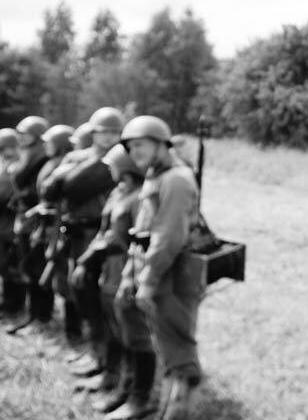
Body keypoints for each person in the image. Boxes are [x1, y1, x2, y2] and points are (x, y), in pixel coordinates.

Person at [118, 115, 203, 420]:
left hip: (174, 275)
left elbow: (168, 236)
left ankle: (181, 411)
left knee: (179, 350)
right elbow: (144, 230)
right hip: (159, 271)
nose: (134, 153)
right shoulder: (157, 176)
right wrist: (133, 274)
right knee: (166, 347)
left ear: (161, 144)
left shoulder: (176, 180)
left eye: (140, 145)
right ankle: (168, 408)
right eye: (130, 147)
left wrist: (149, 280)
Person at [77, 143, 156, 419]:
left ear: (126, 168)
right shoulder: (117, 192)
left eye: (113, 165)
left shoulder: (140, 198)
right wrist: (90, 258)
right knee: (115, 329)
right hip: (108, 270)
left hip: (126, 272)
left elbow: (135, 241)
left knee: (135, 334)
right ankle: (116, 382)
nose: (109, 169)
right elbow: (105, 231)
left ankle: (138, 397)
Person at [44, 107, 123, 376]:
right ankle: (93, 350)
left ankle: (106, 358)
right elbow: (53, 193)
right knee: (79, 292)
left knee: (101, 296)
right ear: (93, 132)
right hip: (76, 233)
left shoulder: (122, 161)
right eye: (103, 131)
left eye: (114, 132)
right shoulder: (76, 158)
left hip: (104, 236)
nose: (108, 137)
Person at [5, 115, 52, 333]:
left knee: (36, 267)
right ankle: (35, 314)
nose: (21, 137)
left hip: (36, 219)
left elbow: (35, 189)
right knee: (29, 266)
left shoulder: (40, 156)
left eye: (26, 134)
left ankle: (40, 315)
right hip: (26, 216)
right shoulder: (29, 154)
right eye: (20, 133)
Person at [0, 128, 23, 318]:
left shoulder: (19, 165)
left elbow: (10, 193)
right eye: (8, 147)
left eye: (14, 146)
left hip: (12, 218)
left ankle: (14, 304)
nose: (12, 150)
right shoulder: (2, 164)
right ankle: (8, 301)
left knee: (13, 262)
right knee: (4, 263)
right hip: (2, 220)